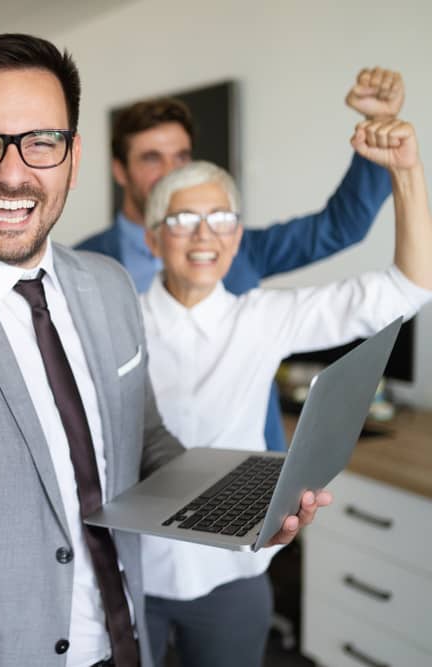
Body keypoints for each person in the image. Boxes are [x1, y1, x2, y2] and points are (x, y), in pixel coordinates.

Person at [0, 33, 327, 667]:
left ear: (72, 158)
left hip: (127, 647)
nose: (11, 174)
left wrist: (238, 504)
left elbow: (144, 439)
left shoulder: (110, 284)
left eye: (41, 142)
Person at [138, 116, 431, 666]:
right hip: (130, 571)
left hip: (233, 573)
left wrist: (407, 172)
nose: (205, 235)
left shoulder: (263, 318)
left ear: (237, 236)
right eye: (183, 220)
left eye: (221, 219)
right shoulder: (116, 322)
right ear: (154, 238)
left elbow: (408, 287)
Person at [75, 67, 404, 453]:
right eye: (151, 158)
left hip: (242, 472)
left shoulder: (239, 245)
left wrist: (379, 128)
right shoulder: (83, 265)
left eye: (180, 156)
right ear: (120, 171)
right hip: (135, 475)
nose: (170, 172)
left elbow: (340, 226)